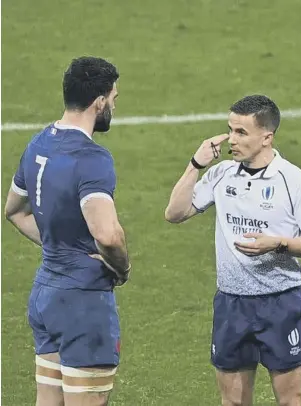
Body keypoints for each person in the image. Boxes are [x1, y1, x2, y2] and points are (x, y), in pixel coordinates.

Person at [165, 94, 301, 406]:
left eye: (241, 132)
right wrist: (196, 164)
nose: (231, 140)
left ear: (267, 137)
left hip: (280, 303)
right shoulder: (221, 174)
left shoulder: (294, 182)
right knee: (233, 401)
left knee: (291, 399)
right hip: (231, 303)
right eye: (230, 130)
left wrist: (279, 243)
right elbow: (175, 213)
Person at [4, 56, 131, 406]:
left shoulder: (38, 143)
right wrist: (122, 267)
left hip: (46, 294)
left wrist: (60, 246)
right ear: (99, 101)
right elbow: (107, 235)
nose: (114, 107)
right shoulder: (91, 158)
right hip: (83, 303)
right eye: (115, 99)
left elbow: (13, 211)